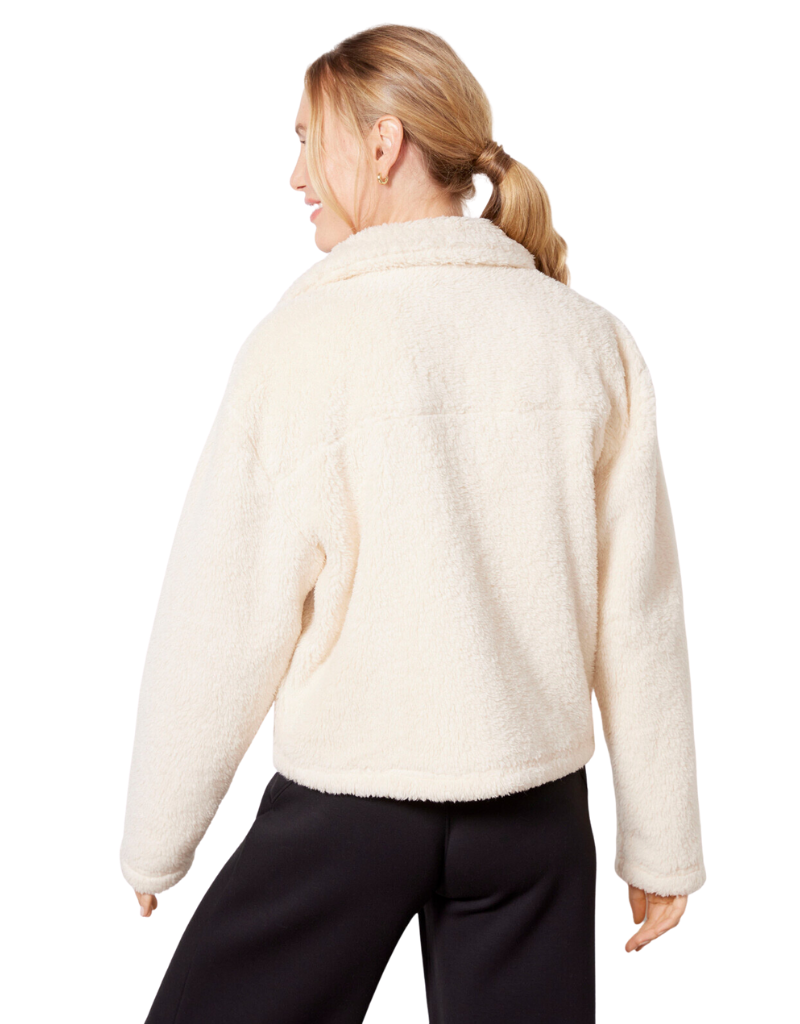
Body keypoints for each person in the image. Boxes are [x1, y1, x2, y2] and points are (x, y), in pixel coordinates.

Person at [120, 23, 706, 1024]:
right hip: (535, 822)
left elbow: (221, 615)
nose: (294, 174)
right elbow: (638, 618)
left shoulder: (301, 345)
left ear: (383, 143)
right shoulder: (589, 342)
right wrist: (661, 844)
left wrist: (156, 837)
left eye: (307, 140)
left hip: (346, 814)